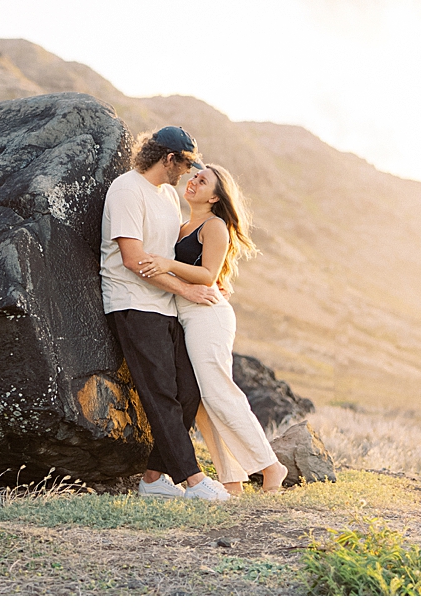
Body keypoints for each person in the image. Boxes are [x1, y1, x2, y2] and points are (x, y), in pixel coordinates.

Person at [138, 163, 289, 495]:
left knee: (219, 393)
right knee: (203, 405)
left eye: (202, 181)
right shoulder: (181, 227)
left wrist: (166, 264)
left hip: (208, 315)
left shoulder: (214, 224)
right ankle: (231, 480)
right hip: (186, 317)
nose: (193, 181)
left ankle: (271, 467)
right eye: (194, 177)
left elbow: (207, 275)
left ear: (217, 195)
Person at [100, 126, 230, 502]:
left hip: (166, 305)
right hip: (132, 304)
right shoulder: (127, 190)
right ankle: (193, 479)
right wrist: (187, 289)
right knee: (160, 393)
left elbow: (176, 256)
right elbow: (132, 258)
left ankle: (154, 478)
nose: (189, 173)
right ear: (168, 159)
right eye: (186, 164)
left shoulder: (169, 198)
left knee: (188, 390)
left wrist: (211, 279)